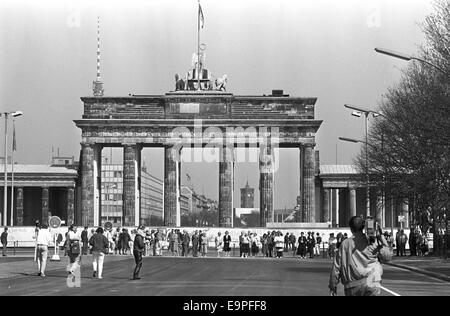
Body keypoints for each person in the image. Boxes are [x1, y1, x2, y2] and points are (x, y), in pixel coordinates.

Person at [329, 216, 393, 296]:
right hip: (372, 283)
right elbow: (387, 257)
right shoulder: (372, 242)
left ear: (351, 228)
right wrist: (382, 237)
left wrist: (333, 285)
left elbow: (337, 267)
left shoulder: (345, 244)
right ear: (363, 226)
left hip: (353, 286)